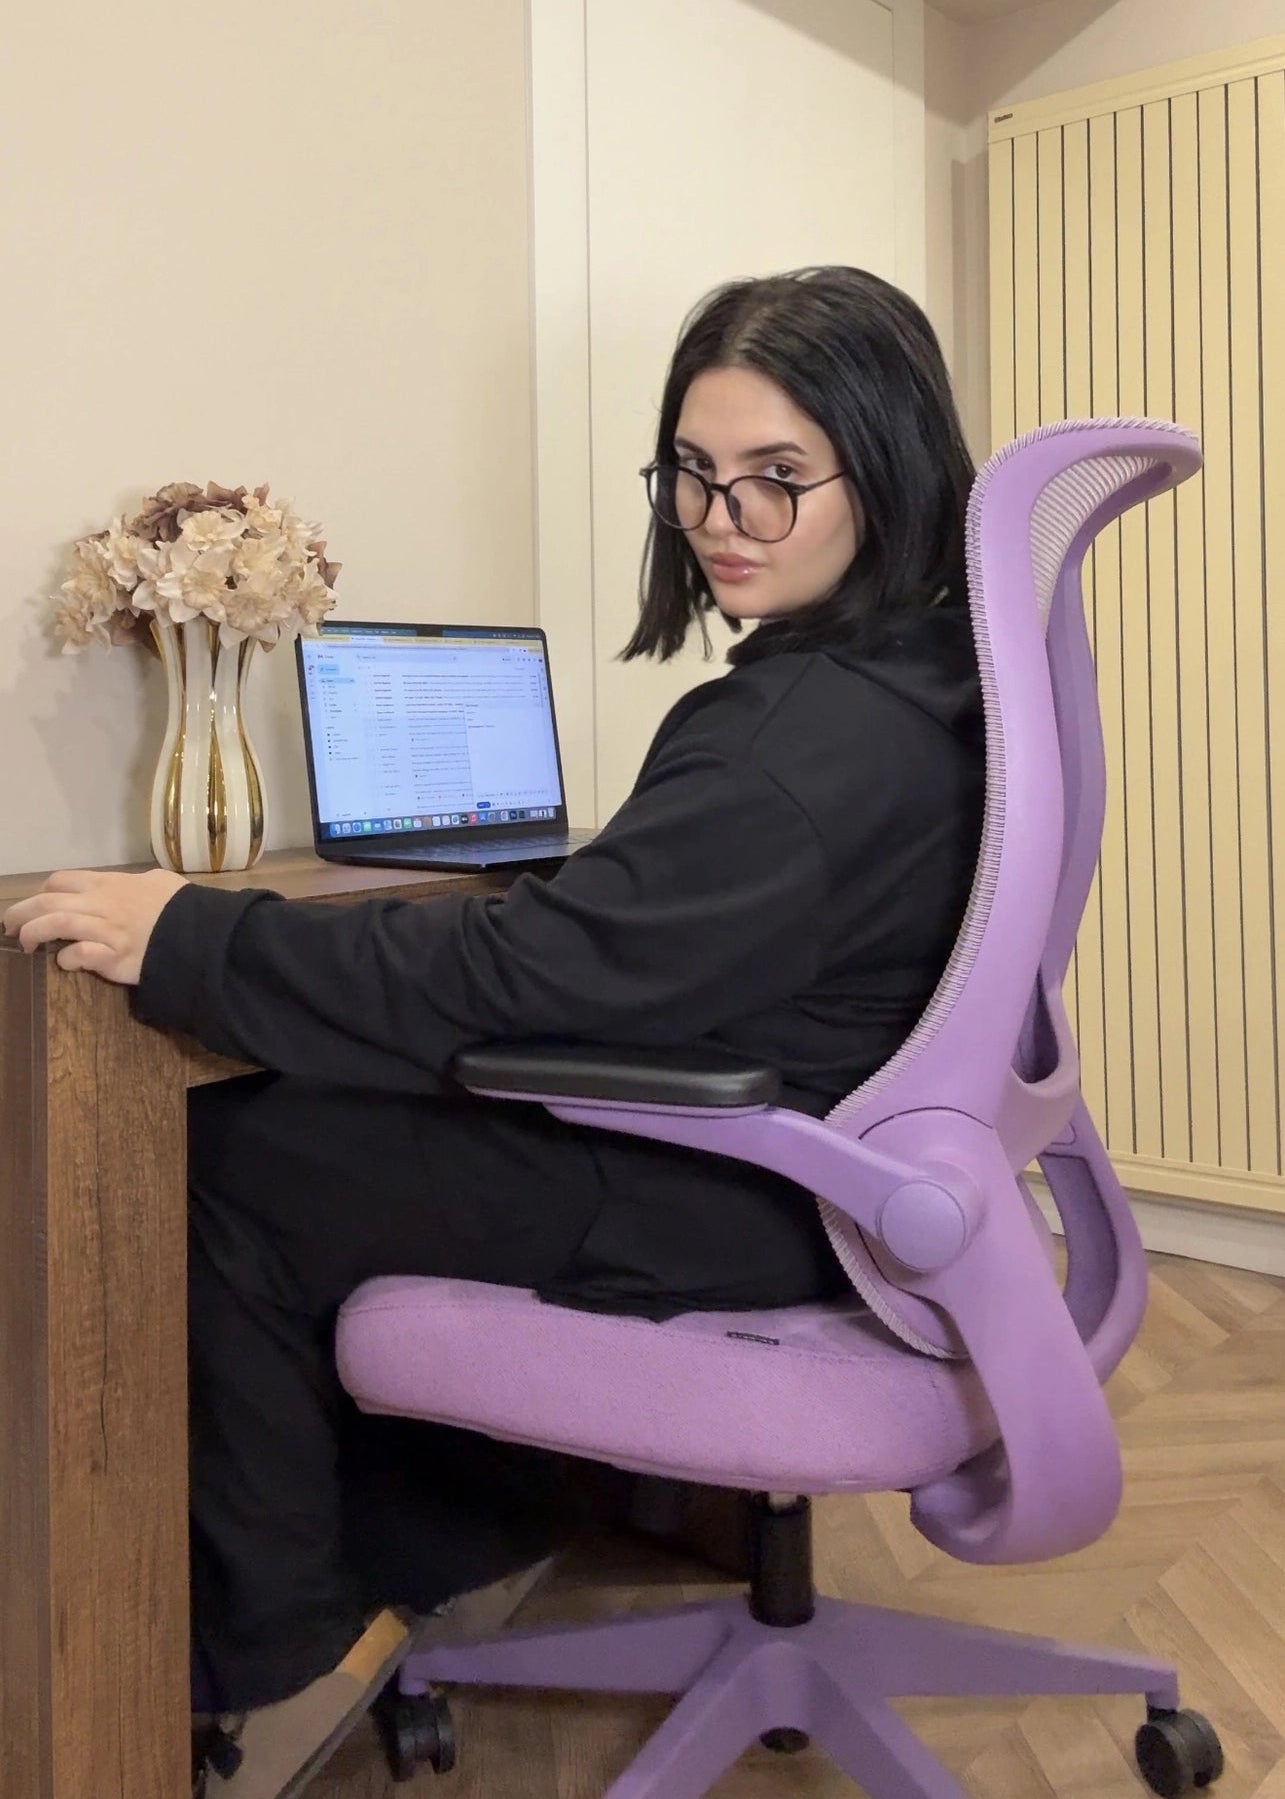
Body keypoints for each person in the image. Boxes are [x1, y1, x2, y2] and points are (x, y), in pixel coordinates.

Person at [3, 265, 984, 1798]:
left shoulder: (807, 739)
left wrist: (190, 930)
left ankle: (270, 1639)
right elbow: (613, 942)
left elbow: (533, 976)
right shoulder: (917, 684)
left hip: (742, 1192)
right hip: (836, 1172)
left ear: (893, 468)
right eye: (692, 473)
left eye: (780, 478)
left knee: (218, 1159)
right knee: (330, 1124)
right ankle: (440, 1540)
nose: (725, 517)